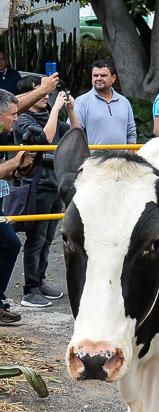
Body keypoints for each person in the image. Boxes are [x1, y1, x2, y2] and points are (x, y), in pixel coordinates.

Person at [13, 76, 80, 308]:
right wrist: (56, 110)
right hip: (36, 184)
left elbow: (76, 133)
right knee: (36, 237)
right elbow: (44, 138)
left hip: (55, 183)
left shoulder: (49, 115)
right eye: (39, 92)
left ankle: (40, 281)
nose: (45, 96)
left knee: (48, 237)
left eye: (46, 91)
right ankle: (30, 289)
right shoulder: (22, 119)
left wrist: (70, 110)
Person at [0, 90, 36, 324]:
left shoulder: (3, 133)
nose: (16, 118)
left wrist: (20, 167)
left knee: (10, 244)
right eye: (13, 114)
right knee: (10, 243)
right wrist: (16, 161)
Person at [74, 59, 137, 145]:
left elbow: (131, 133)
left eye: (103, 75)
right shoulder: (82, 102)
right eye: (95, 76)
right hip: (95, 158)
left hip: (121, 158)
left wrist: (130, 156)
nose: (99, 78)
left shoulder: (124, 102)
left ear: (113, 78)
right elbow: (75, 134)